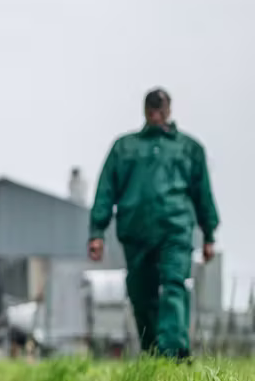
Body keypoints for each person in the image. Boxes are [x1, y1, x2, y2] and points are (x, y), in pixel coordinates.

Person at [87, 87, 219, 360]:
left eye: (161, 109)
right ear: (145, 111)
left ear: (169, 110)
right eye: (152, 109)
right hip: (136, 232)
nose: (157, 114)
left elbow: (202, 192)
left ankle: (174, 352)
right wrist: (96, 231)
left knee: (174, 284)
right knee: (140, 292)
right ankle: (152, 351)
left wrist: (208, 233)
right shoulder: (125, 147)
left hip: (176, 230)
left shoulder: (189, 149)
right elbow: (105, 190)